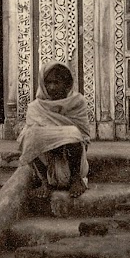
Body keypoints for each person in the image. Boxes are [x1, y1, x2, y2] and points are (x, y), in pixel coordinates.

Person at [18, 62, 89, 199]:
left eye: (57, 82)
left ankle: (76, 180)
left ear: (67, 84)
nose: (51, 87)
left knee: (73, 133)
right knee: (28, 134)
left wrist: (59, 140)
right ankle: (45, 183)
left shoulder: (77, 102)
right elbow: (33, 140)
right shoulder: (35, 107)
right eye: (48, 83)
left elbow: (84, 138)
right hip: (48, 164)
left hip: (71, 165)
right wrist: (52, 142)